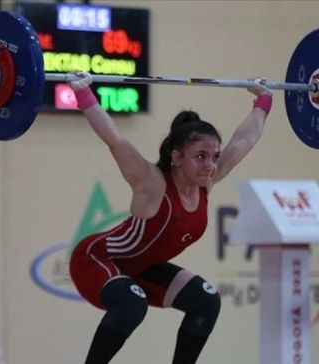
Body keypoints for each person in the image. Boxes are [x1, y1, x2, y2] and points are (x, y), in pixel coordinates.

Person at [68, 71, 272, 364]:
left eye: (214, 156)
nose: (211, 165)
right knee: (132, 303)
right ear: (177, 157)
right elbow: (114, 139)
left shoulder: (206, 183)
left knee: (206, 301)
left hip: (140, 269)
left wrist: (263, 101)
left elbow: (244, 140)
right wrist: (83, 93)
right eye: (201, 156)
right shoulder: (151, 182)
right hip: (96, 259)